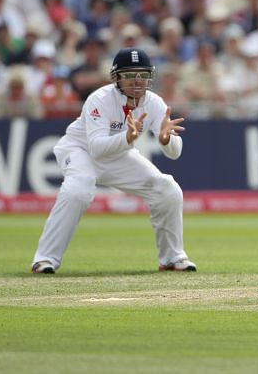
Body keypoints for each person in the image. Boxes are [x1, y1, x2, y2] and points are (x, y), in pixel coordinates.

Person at [31, 48, 195, 274]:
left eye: (142, 75)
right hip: (81, 150)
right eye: (129, 75)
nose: (137, 82)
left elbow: (174, 153)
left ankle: (172, 257)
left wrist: (167, 140)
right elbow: (97, 149)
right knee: (78, 190)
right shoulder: (99, 99)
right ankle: (45, 259)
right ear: (116, 77)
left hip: (118, 154)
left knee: (168, 190)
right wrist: (127, 138)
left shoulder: (154, 103)